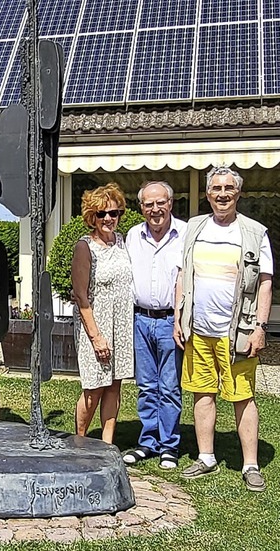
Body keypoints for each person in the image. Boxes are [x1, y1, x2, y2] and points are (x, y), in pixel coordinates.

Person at [174, 166, 273, 492]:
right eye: (216, 188)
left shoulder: (255, 233)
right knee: (203, 394)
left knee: (243, 397)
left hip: (238, 332)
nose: (222, 194)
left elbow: (265, 284)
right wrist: (178, 317)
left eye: (228, 188)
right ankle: (206, 457)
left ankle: (250, 465)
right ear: (207, 193)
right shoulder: (194, 228)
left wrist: (260, 328)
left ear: (238, 192)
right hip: (199, 330)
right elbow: (182, 274)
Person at [123, 181, 187, 470]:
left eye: (160, 203)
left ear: (170, 203)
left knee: (170, 387)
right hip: (140, 319)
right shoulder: (133, 235)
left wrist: (182, 320)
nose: (155, 209)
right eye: (148, 204)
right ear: (141, 208)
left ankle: (169, 446)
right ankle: (148, 442)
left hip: (171, 320)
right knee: (147, 386)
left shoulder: (185, 234)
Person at [71, 183, 134, 443]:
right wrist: (96, 338)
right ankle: (81, 441)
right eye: (101, 214)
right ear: (91, 217)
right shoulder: (84, 247)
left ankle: (107, 444)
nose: (108, 218)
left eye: (113, 213)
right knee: (94, 387)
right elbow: (80, 296)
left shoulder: (121, 242)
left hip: (121, 323)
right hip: (95, 325)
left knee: (114, 385)